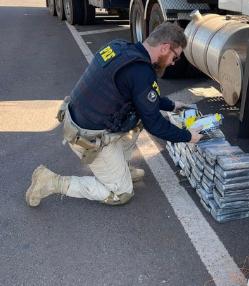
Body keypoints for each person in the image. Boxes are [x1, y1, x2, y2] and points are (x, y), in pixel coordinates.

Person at [26, 22, 203, 207]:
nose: (174, 63)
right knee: (121, 194)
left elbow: (143, 96)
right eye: (175, 57)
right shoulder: (141, 72)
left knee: (136, 120)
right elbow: (155, 124)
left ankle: (121, 169)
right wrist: (188, 136)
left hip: (77, 118)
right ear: (165, 48)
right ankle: (50, 182)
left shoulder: (120, 47)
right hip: (88, 138)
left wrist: (172, 105)